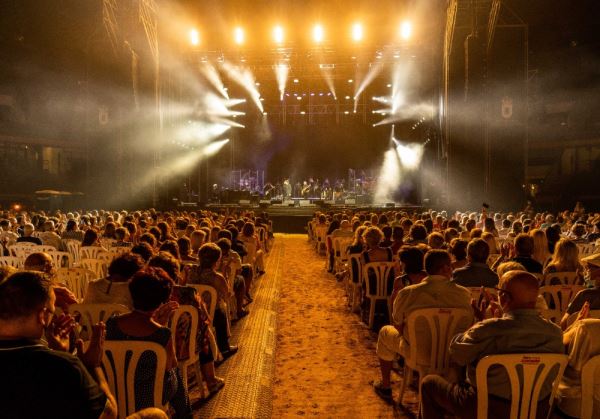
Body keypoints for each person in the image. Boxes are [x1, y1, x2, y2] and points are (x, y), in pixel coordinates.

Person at [420, 271, 564, 419]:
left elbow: (457, 355)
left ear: (504, 297)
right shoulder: (555, 333)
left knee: (429, 383)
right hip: (537, 409)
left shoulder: (487, 328)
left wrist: (479, 322)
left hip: (485, 408)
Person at [0, 271, 117, 419]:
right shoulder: (63, 366)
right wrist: (93, 366)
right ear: (42, 315)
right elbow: (109, 415)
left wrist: (58, 353)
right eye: (51, 312)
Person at [372, 250, 472, 400]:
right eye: (450, 267)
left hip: (418, 354)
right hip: (451, 353)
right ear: (445, 268)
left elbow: (397, 326)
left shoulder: (408, 293)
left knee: (385, 332)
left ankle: (386, 385)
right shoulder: (463, 294)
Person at [105, 268, 192, 418]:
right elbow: (170, 365)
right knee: (175, 371)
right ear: (162, 300)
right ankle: (186, 414)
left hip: (114, 391)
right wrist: (161, 324)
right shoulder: (161, 334)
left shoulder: (111, 323)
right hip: (149, 398)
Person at [559, 253, 600, 329]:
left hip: (585, 339)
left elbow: (564, 324)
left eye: (589, 267)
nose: (587, 270)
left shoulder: (584, 296)